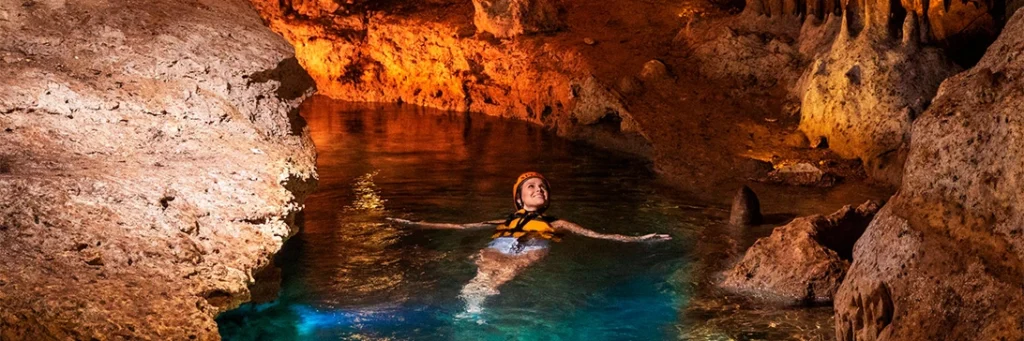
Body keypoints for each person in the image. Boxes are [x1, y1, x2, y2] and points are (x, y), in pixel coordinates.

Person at [387, 172, 671, 315]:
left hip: (534, 248)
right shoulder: (503, 221)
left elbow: (598, 235)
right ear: (519, 198)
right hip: (499, 246)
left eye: (542, 187)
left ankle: (480, 301)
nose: (539, 189)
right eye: (531, 187)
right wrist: (412, 224)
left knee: (507, 273)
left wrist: (641, 239)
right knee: (484, 272)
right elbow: (459, 226)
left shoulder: (558, 223)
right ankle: (471, 303)